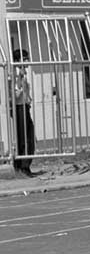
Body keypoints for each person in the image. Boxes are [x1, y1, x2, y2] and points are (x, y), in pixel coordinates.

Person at [10, 48, 35, 176]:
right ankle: (22, 166)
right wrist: (19, 81)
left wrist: (28, 98)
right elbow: (15, 94)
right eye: (25, 58)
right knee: (24, 137)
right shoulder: (14, 73)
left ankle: (24, 166)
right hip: (19, 108)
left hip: (25, 106)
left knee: (28, 136)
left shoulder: (22, 72)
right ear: (18, 60)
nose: (28, 61)